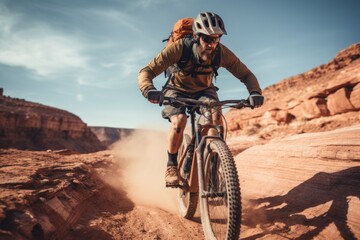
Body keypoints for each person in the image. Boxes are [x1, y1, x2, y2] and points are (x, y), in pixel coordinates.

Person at [138, 12, 264, 187]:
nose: (212, 44)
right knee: (179, 121)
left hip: (205, 90)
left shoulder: (221, 53)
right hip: (177, 90)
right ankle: (171, 166)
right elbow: (147, 71)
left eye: (216, 38)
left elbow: (246, 74)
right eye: (207, 39)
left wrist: (255, 92)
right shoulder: (181, 48)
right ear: (196, 36)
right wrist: (149, 89)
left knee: (215, 118)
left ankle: (212, 163)